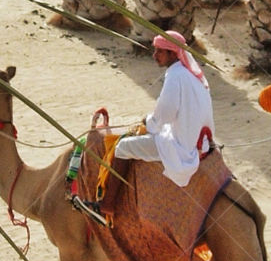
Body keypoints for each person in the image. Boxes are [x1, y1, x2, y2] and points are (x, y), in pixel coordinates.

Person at [72, 31, 214, 226]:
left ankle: (106, 205)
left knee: (123, 148)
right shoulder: (193, 75)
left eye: (160, 52)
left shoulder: (175, 75)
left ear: (173, 54)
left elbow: (165, 113)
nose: (154, 55)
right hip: (200, 140)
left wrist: (148, 123)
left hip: (181, 145)